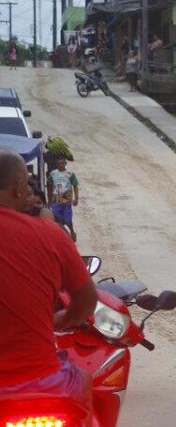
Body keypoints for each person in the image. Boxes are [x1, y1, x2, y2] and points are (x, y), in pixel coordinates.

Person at [0, 150, 98, 405]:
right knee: (85, 380)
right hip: (41, 377)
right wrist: (64, 319)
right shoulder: (51, 234)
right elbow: (87, 300)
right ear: (19, 188)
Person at [47, 157, 79, 242]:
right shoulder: (53, 174)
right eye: (59, 164)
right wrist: (49, 200)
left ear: (65, 164)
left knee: (68, 219)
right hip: (56, 200)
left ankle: (72, 231)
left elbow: (75, 186)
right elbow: (49, 186)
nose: (61, 165)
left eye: (62, 163)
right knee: (58, 220)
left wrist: (76, 198)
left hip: (67, 200)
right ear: (56, 164)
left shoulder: (70, 174)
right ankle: (62, 235)